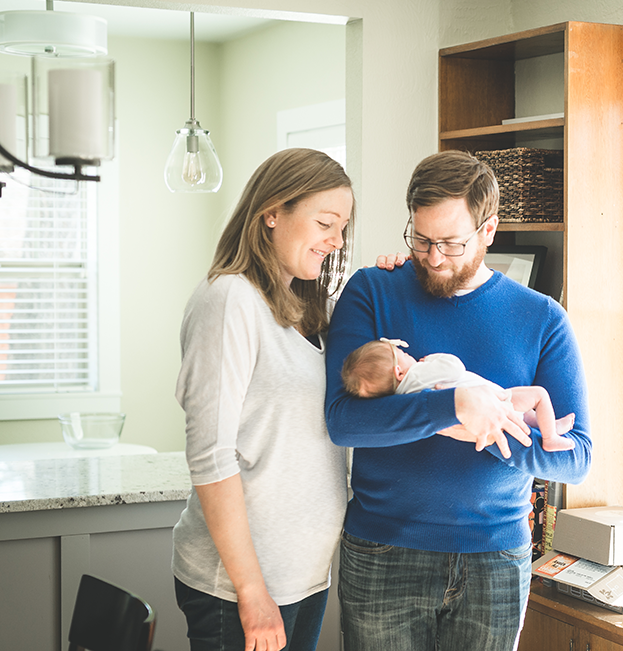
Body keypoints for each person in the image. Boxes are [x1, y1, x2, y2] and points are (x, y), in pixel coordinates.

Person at [325, 150, 592, 651]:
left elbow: (577, 458)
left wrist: (485, 427)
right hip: (383, 551)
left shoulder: (542, 318)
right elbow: (344, 422)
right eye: (421, 239)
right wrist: (451, 407)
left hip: (495, 560)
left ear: (488, 231)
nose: (432, 257)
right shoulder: (371, 291)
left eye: (450, 242)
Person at [172, 148, 353, 651]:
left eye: (342, 227)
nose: (336, 241)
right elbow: (210, 456)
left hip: (304, 578)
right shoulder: (229, 300)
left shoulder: (309, 309)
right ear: (272, 212)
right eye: (325, 222)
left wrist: (396, 274)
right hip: (240, 588)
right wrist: (252, 592)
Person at [340, 337, 576, 452]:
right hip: (498, 399)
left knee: (524, 416)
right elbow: (455, 367)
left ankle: (550, 426)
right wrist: (432, 360)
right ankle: (550, 436)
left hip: (490, 410)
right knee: (539, 395)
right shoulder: (420, 373)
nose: (408, 354)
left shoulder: (403, 400)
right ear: (398, 372)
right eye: (402, 353)